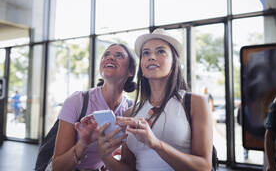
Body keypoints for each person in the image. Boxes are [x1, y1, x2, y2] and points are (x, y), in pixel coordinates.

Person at [88, 28, 213, 171]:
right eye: (146, 53)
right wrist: (106, 157)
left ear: (174, 63)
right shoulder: (131, 113)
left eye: (160, 51)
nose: (151, 57)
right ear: (141, 64)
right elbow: (128, 168)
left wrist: (155, 144)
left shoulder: (194, 103)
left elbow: (204, 167)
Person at [51, 43, 136, 171]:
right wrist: (83, 143)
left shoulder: (131, 110)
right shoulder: (77, 101)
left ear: (130, 71)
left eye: (119, 55)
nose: (110, 57)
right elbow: (57, 167)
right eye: (106, 55)